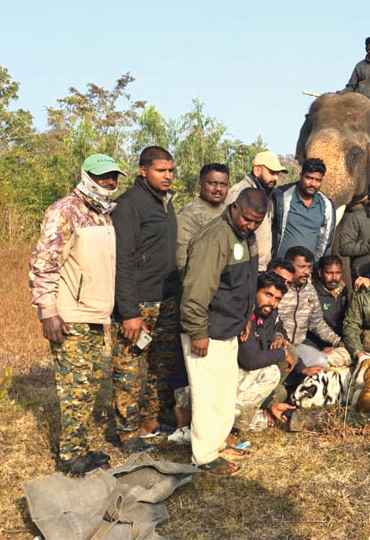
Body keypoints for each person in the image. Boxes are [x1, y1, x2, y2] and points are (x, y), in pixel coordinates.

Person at [29, 153, 123, 475]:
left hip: (95, 315)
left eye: (113, 176)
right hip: (72, 316)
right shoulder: (65, 211)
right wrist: (48, 311)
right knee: (75, 391)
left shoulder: (103, 214)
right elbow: (44, 263)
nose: (109, 181)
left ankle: (78, 447)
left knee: (88, 388)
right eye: (102, 176)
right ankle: (70, 457)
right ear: (86, 176)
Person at [180, 188, 266, 476]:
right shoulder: (214, 238)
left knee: (224, 389)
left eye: (257, 222)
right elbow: (196, 289)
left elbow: (245, 282)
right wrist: (197, 332)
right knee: (207, 394)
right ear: (234, 207)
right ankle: (204, 456)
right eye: (247, 219)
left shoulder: (245, 236)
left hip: (229, 326)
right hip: (207, 328)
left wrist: (246, 318)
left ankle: (217, 442)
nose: (250, 226)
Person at [111, 146, 182, 453]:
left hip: (166, 299)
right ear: (143, 171)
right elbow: (122, 261)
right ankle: (127, 433)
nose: (167, 176)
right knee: (128, 369)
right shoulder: (128, 205)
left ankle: (150, 421)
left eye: (170, 170)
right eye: (160, 170)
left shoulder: (167, 203)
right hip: (138, 303)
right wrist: (128, 311)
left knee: (160, 366)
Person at [233, 272, 298, 432]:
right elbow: (250, 360)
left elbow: (266, 343)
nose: (272, 303)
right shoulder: (244, 314)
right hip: (224, 378)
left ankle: (265, 408)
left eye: (277, 299)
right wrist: (282, 354)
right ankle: (231, 424)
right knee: (271, 373)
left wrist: (279, 341)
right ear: (255, 291)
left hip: (245, 377)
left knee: (278, 393)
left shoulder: (268, 313)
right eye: (268, 295)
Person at [273, 247, 350, 372]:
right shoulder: (278, 288)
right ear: (289, 266)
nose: (306, 272)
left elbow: (317, 323)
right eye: (302, 267)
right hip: (277, 343)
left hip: (298, 345)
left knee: (321, 362)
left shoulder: (309, 290)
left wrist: (337, 342)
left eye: (309, 267)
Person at [227, 151, 287, 271]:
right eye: (272, 173)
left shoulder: (266, 194)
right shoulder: (240, 192)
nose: (275, 178)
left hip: (259, 267)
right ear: (257, 170)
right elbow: (229, 230)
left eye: (277, 174)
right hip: (242, 266)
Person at [272, 157, 335, 261]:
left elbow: (324, 242)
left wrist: (317, 265)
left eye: (318, 180)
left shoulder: (326, 206)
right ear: (301, 176)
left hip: (308, 269)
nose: (313, 184)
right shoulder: (282, 197)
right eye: (309, 178)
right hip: (281, 266)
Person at [175, 163, 230, 271]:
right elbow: (182, 257)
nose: (218, 188)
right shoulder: (189, 214)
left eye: (223, 184)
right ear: (200, 185)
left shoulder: (229, 211)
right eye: (213, 183)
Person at [306, 254, 350, 360]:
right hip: (316, 345)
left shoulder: (343, 292)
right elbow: (313, 326)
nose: (334, 278)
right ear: (320, 272)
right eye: (329, 273)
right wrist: (322, 347)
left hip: (338, 344)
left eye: (338, 273)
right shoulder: (312, 293)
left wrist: (340, 343)